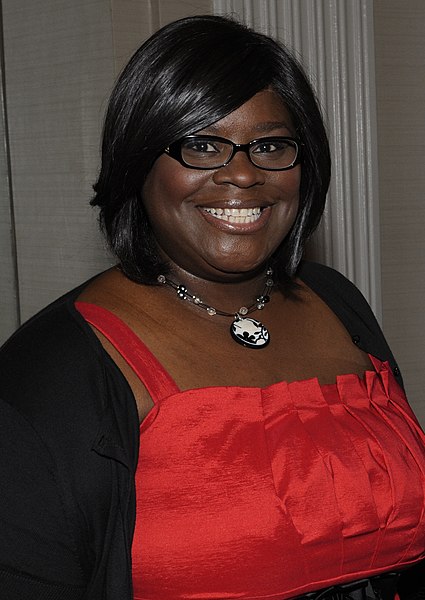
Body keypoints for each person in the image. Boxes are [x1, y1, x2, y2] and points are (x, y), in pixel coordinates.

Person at [0, 14, 424, 600]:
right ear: (139, 161)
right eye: (202, 145)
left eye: (272, 145)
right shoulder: (47, 375)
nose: (245, 174)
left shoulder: (336, 301)